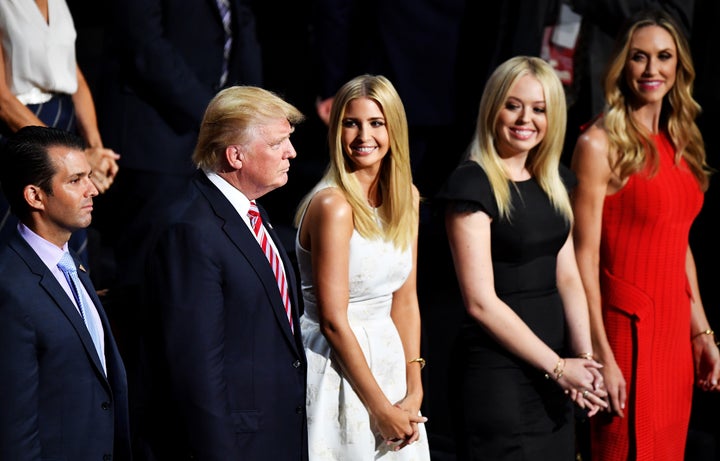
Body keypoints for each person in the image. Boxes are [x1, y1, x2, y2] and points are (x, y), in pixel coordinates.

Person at [437, 56, 607, 460]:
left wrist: (584, 362)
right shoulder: (471, 185)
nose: (525, 118)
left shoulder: (555, 179)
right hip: (499, 377)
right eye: (513, 105)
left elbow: (567, 276)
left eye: (538, 109)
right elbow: (481, 303)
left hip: (555, 375)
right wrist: (561, 368)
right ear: (493, 107)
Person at [569, 8, 720, 460]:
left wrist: (702, 332)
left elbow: (678, 242)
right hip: (625, 333)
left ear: (679, 67)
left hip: (674, 331)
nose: (652, 70)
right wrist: (601, 354)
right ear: (621, 65)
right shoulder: (598, 143)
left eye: (663, 57)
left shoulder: (680, 140)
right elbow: (582, 258)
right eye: (639, 57)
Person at [137, 86, 307, 460]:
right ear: (236, 155)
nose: (291, 152)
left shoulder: (251, 213)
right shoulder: (191, 230)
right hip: (234, 444)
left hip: (279, 434)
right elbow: (195, 368)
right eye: (279, 143)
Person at [294, 74, 430, 459]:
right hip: (338, 366)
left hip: (390, 364)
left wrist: (413, 387)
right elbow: (333, 321)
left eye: (376, 123)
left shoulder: (407, 199)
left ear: (394, 129)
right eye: (351, 123)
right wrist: (381, 408)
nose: (362, 136)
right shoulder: (332, 205)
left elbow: (405, 301)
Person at [0, 126, 131, 460]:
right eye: (75, 180)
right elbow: (14, 426)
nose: (92, 190)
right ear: (35, 196)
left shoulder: (71, 263)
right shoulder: (9, 288)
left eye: (88, 176)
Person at [0, 0, 120, 266]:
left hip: (63, 121)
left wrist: (95, 152)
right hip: (20, 128)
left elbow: (74, 77)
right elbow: (2, 99)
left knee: (70, 230)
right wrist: (70, 154)